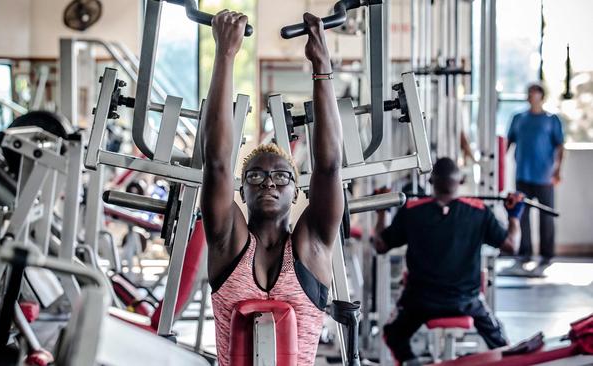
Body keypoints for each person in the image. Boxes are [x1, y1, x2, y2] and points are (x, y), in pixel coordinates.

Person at [200, 11, 344, 366]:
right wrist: (225, 55)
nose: (268, 182)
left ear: (297, 192)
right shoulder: (227, 239)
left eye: (282, 177)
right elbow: (216, 162)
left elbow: (328, 166)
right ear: (242, 190)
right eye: (255, 177)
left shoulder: (313, 244)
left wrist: (322, 67)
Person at [374, 158, 524, 365]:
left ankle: (410, 361)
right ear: (460, 181)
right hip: (466, 302)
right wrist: (514, 215)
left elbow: (380, 245)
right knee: (502, 345)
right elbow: (512, 245)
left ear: (430, 181)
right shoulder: (479, 211)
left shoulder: (411, 211)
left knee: (393, 334)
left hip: (420, 302)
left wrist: (381, 211)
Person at [507, 83, 565, 268]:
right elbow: (508, 143)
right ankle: (525, 252)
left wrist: (557, 170)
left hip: (544, 176)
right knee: (521, 216)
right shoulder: (518, 118)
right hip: (523, 175)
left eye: (535, 93)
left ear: (542, 96)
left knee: (546, 217)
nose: (532, 95)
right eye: (530, 92)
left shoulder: (551, 119)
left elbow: (560, 146)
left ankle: (547, 254)